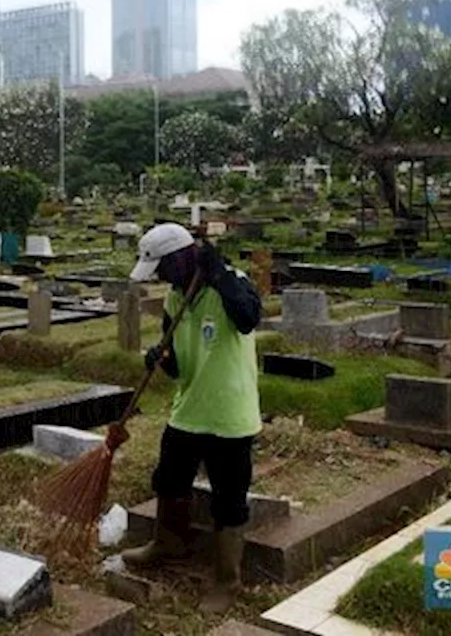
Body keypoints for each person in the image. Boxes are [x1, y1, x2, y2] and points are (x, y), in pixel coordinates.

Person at [117, 222, 263, 615]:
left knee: (228, 499)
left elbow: (249, 318)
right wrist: (161, 360)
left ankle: (227, 579)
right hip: (189, 409)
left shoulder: (232, 282)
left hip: (229, 414)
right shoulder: (174, 299)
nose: (160, 278)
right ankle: (168, 544)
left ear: (181, 258)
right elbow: (179, 367)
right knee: (168, 479)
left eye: (162, 268)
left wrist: (219, 276)